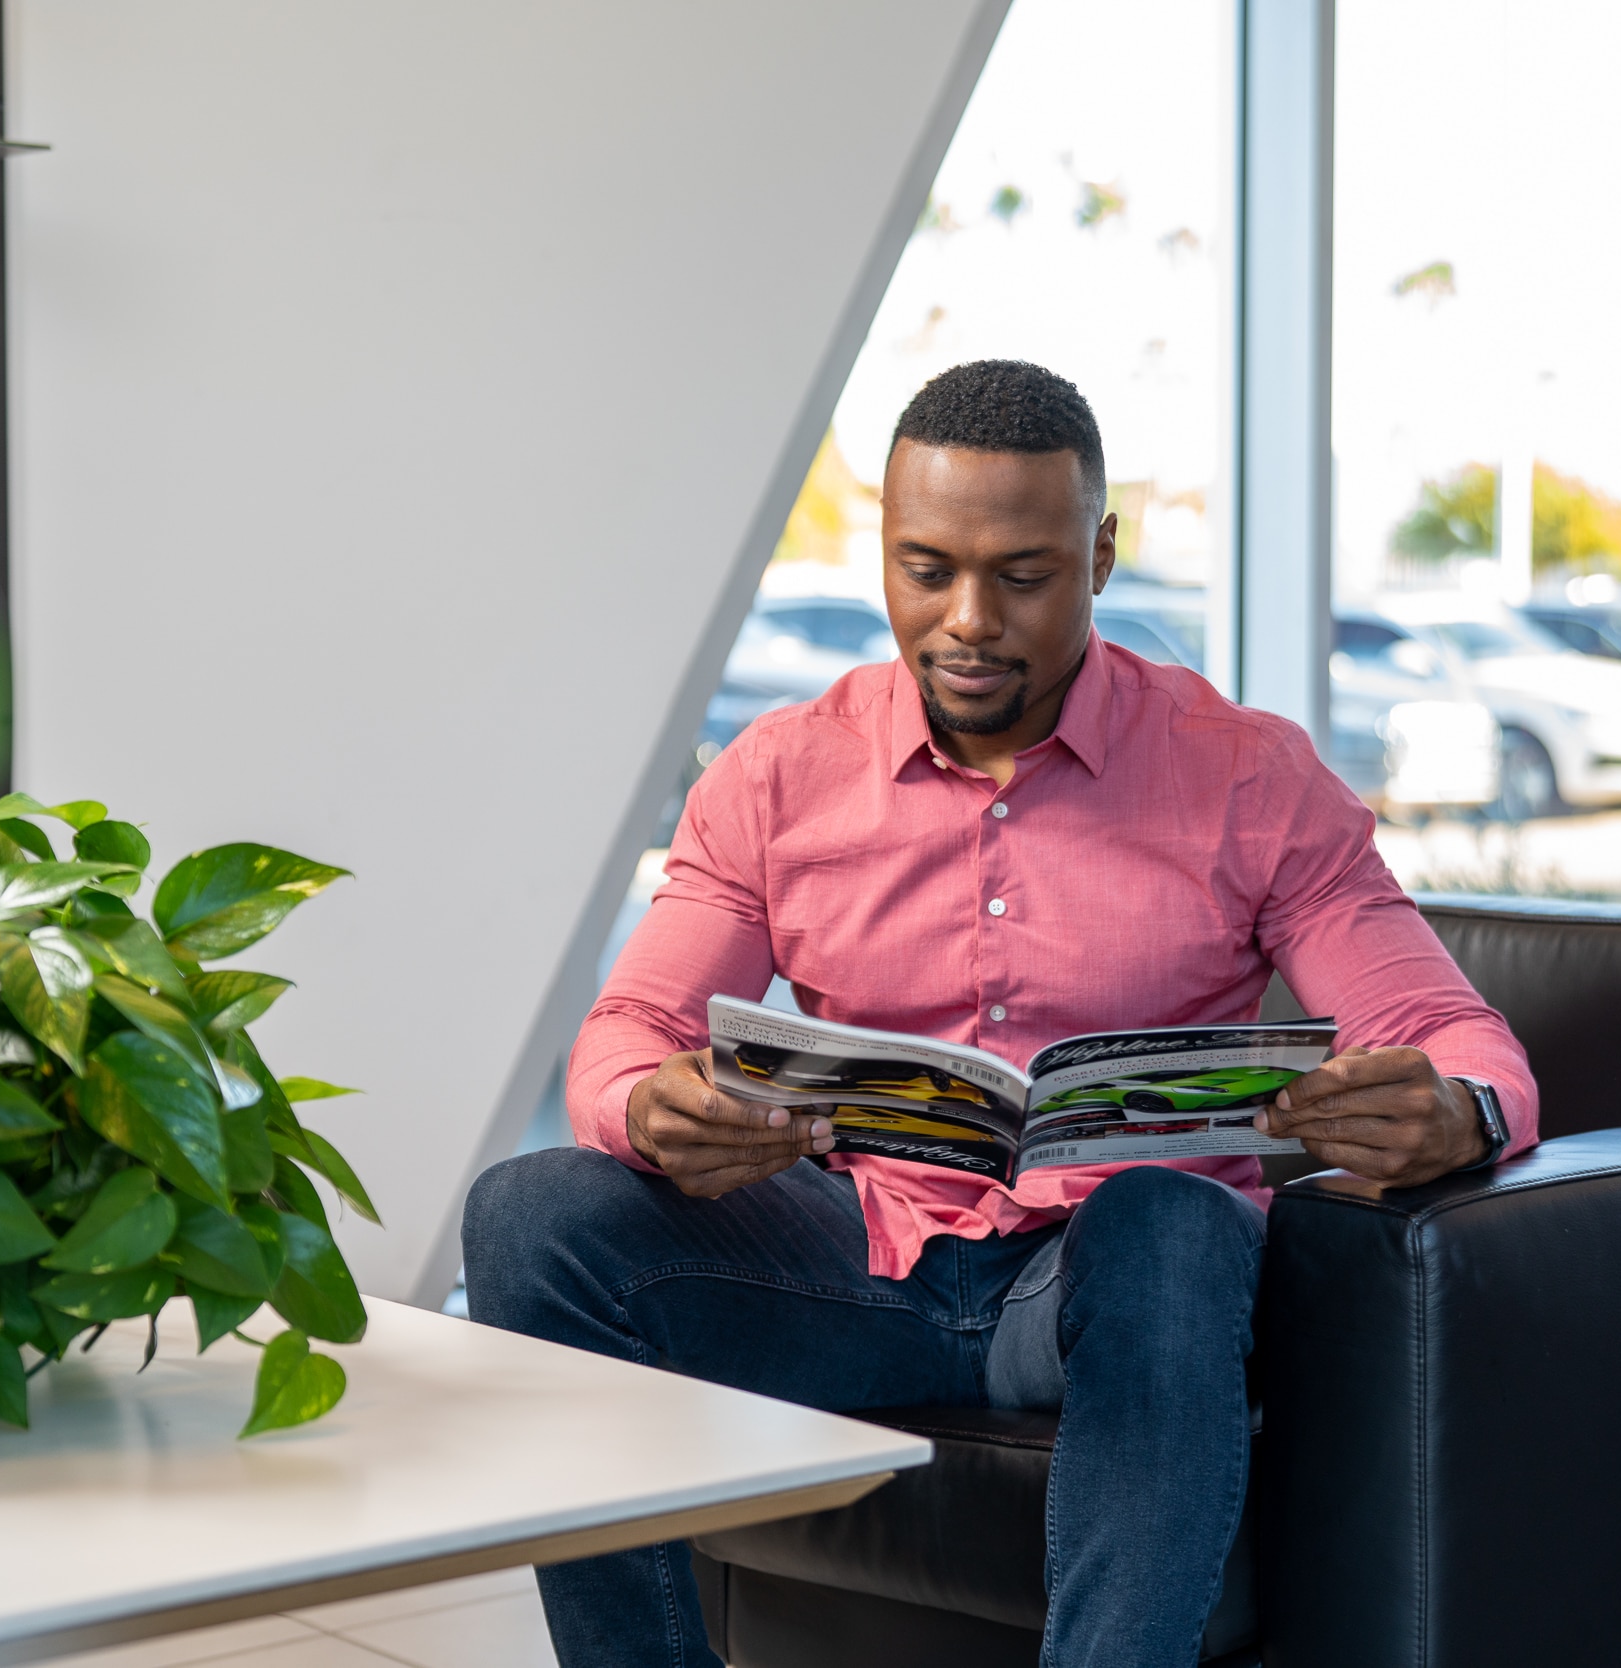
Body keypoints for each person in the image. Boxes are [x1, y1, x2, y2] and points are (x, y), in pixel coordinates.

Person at [460, 360, 1535, 1668]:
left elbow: (1470, 1046)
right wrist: (652, 1109)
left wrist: (1451, 1114)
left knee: (1169, 1214)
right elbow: (626, 1029)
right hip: (859, 1263)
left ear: (1102, 555)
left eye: (1023, 576)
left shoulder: (1248, 777)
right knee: (531, 1210)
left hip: (1117, 1292)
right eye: (926, 570)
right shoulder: (781, 775)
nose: (967, 620)